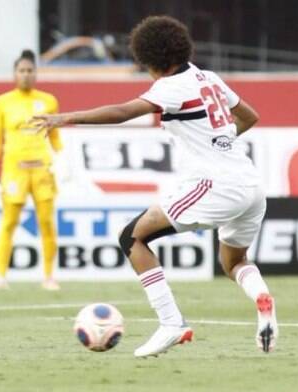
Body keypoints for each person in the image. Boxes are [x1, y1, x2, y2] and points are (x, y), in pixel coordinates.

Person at [31, 16, 278, 357]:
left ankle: (171, 323)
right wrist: (219, 140)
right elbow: (250, 117)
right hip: (251, 185)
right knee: (234, 262)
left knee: (131, 237)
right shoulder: (209, 78)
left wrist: (66, 118)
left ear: (152, 59)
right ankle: (263, 300)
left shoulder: (169, 87)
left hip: (215, 185)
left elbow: (121, 112)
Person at [0, 50, 66, 291]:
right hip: (14, 171)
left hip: (42, 170)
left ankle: (49, 277)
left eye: (30, 70)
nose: (26, 75)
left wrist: (62, 160)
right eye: (22, 70)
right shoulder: (2, 102)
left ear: (36, 73)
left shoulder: (48, 100)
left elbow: (55, 136)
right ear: (15, 73)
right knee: (8, 223)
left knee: (47, 223)